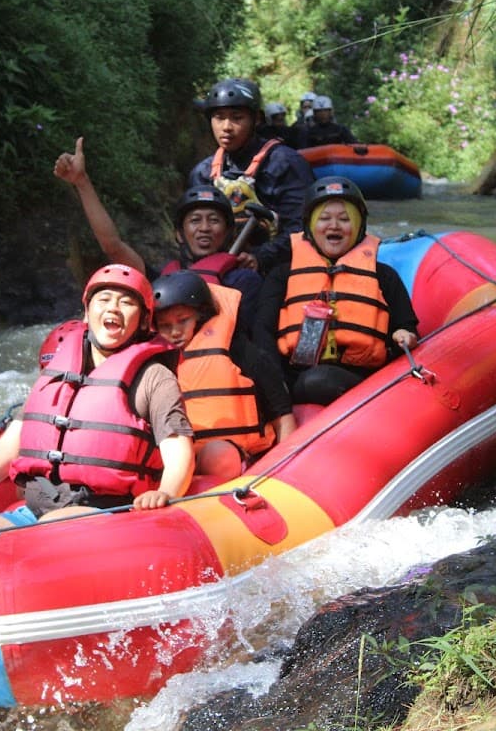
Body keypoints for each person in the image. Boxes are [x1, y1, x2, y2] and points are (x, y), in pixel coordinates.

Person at [0, 265, 195, 542]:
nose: (113, 308)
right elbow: (8, 449)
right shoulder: (58, 371)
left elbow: (178, 449)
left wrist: (166, 492)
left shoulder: (154, 377)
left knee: (52, 528)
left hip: (109, 510)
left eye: (126, 303)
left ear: (144, 321)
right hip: (37, 511)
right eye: (104, 300)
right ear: (87, 312)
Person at [53, 138, 262, 331]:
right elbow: (112, 245)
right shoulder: (161, 279)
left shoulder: (243, 280)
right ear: (179, 235)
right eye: (195, 220)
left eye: (214, 220)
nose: (205, 228)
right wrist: (82, 183)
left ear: (227, 233)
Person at [254, 176, 420, 407]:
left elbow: (406, 326)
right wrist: (275, 386)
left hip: (364, 378)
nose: (334, 226)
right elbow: (262, 332)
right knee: (315, 380)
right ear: (309, 226)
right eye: (324, 219)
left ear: (359, 226)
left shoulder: (384, 276)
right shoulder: (282, 275)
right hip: (295, 377)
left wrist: (405, 334)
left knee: (320, 380)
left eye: (345, 219)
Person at [151, 270, 297, 480]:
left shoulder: (242, 353)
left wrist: (288, 472)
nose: (175, 332)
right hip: (179, 460)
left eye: (183, 320)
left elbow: (281, 413)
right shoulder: (157, 363)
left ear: (201, 317)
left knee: (218, 455)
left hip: (243, 458)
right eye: (165, 326)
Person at [187, 78, 315, 273]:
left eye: (237, 118)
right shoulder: (203, 172)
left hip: (277, 267)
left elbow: (302, 226)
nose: (227, 127)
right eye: (219, 118)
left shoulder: (286, 164)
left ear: (256, 119)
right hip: (219, 266)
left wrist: (261, 257)